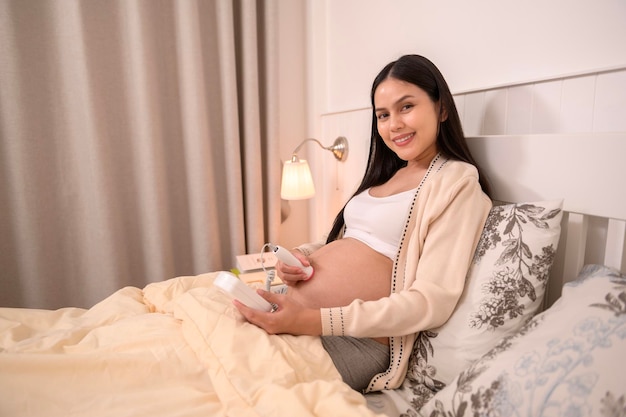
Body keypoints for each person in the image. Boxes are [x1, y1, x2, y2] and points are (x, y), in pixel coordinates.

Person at [235, 54, 492, 393]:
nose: (393, 124)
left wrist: (311, 320)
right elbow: (353, 242)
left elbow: (432, 300)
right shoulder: (387, 176)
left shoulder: (456, 181)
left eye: (406, 107)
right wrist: (302, 255)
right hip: (294, 314)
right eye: (383, 115)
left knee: (241, 387)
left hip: (350, 340)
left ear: (441, 108)